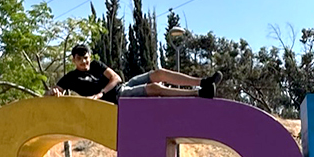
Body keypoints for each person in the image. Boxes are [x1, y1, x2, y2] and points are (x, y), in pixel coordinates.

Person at [54, 44, 221, 101]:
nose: (84, 62)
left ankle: (203, 82)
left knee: (159, 73)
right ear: (74, 60)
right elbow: (56, 90)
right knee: (154, 87)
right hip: (118, 98)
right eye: (80, 59)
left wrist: (100, 93)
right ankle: (198, 94)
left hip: (122, 86)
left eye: (86, 58)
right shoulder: (71, 77)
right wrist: (54, 92)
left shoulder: (96, 65)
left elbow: (115, 78)